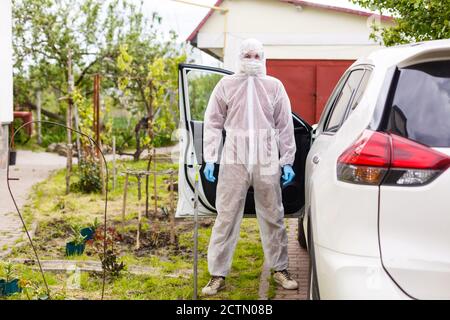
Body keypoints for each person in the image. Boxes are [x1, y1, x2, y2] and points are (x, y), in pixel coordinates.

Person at [201, 38, 298, 296]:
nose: (252, 60)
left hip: (266, 154)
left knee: (273, 214)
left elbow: (285, 124)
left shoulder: (274, 86)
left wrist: (287, 160)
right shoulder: (226, 85)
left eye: (257, 55)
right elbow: (212, 122)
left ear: (263, 58)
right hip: (234, 154)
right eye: (247, 55)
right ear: (239, 57)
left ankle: (280, 270)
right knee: (226, 215)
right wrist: (210, 157)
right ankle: (217, 274)